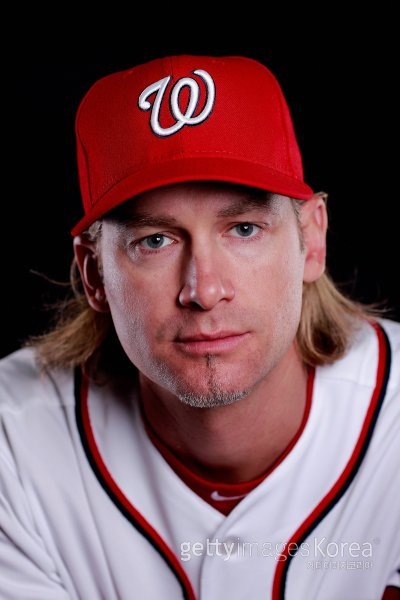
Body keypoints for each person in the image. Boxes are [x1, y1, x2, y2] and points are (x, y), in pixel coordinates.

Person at [0, 55, 399, 600]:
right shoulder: (13, 438)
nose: (204, 290)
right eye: (155, 241)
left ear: (312, 240)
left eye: (243, 228)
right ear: (94, 273)